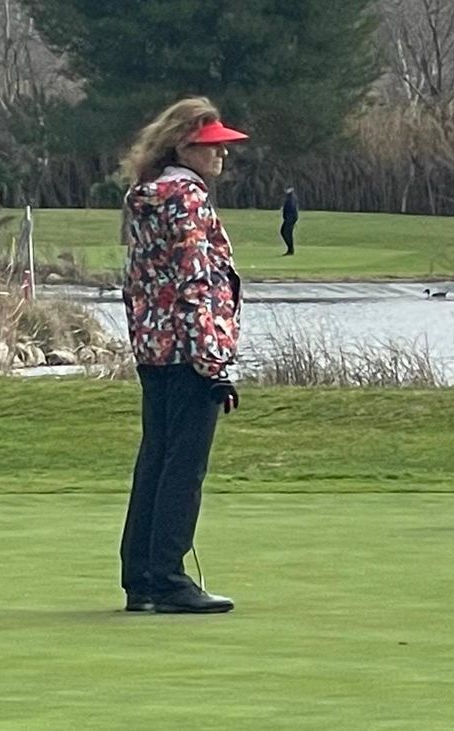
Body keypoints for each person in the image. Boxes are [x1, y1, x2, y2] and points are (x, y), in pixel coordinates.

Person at [118, 97, 248, 613]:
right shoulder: (188, 199)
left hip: (154, 347)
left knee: (156, 458)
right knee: (183, 467)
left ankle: (141, 578)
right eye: (210, 146)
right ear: (183, 147)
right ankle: (169, 578)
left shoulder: (146, 196)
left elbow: (139, 281)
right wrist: (214, 363)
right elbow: (197, 283)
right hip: (190, 350)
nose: (221, 155)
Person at [280, 186, 298, 256]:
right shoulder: (289, 197)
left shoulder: (291, 197)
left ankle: (290, 249)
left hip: (290, 218)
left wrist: (289, 218)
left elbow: (291, 208)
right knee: (285, 232)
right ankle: (290, 249)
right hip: (288, 218)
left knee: (285, 232)